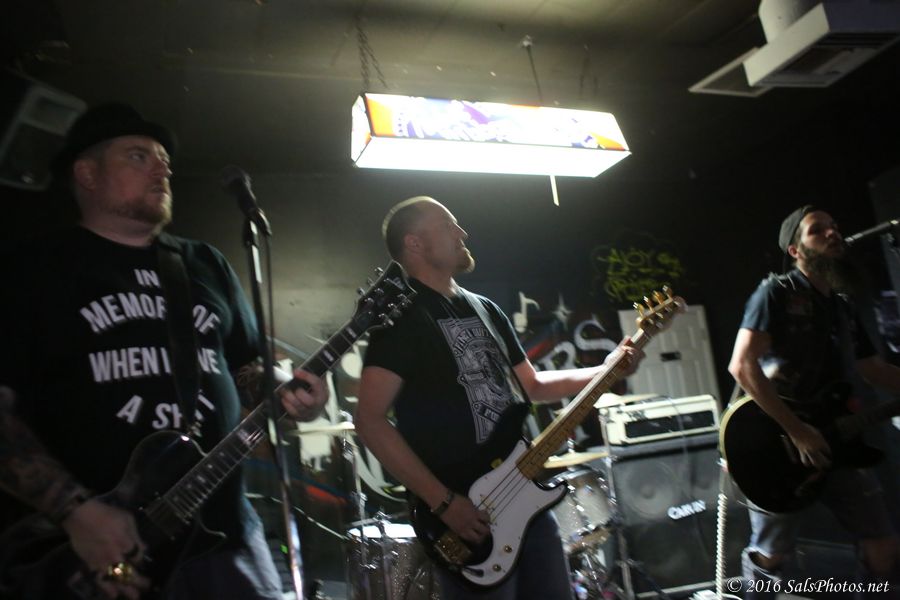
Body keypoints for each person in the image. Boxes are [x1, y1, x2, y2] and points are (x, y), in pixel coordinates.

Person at [0, 103, 328, 600]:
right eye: (138, 156)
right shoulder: (35, 269)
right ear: (87, 174)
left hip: (223, 532)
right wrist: (77, 512)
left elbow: (245, 367)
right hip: (97, 548)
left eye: (165, 163)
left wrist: (286, 390)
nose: (161, 170)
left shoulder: (202, 263)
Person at [354, 196, 645, 600]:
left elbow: (532, 386)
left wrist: (607, 369)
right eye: (448, 225)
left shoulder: (486, 309)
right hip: (465, 516)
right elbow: (369, 419)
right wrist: (444, 503)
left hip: (524, 497)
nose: (462, 232)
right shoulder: (401, 320)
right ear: (414, 243)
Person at [728, 206, 900, 598]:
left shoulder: (842, 306)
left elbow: (873, 369)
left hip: (836, 441)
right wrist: (798, 431)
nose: (832, 233)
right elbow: (742, 366)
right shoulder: (775, 293)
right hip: (777, 444)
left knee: (883, 546)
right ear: (795, 250)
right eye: (817, 230)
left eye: (834, 226)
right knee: (771, 555)